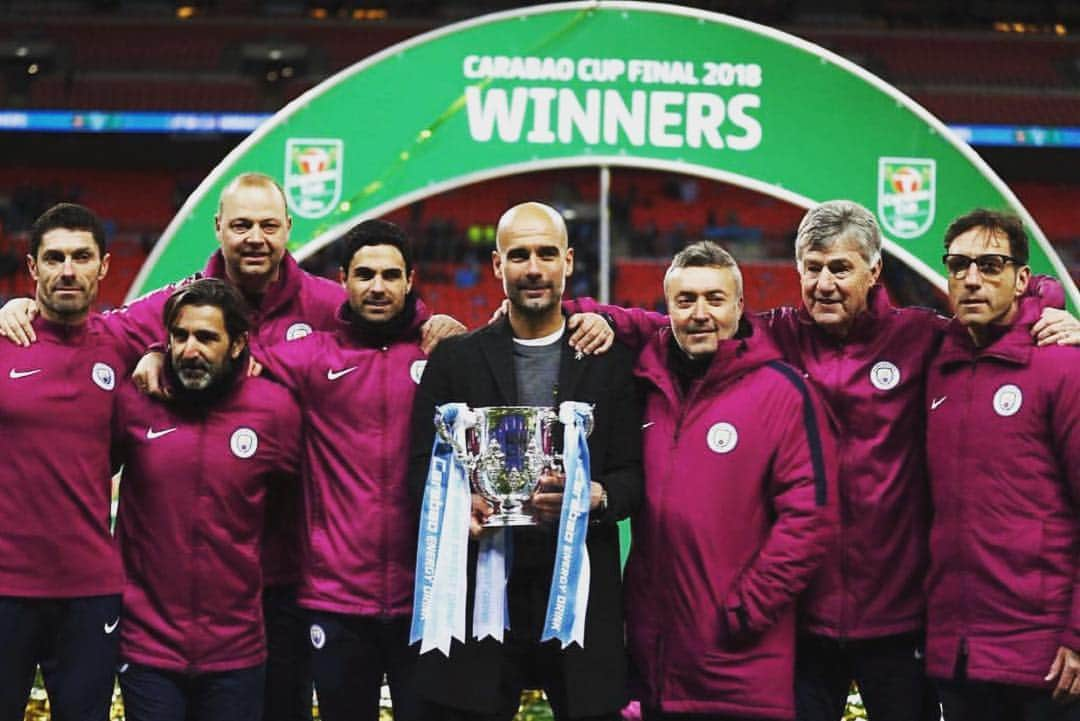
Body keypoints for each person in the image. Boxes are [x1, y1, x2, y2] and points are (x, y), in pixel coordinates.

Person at [566, 200, 1078, 721]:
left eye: (840, 268)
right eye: (813, 268)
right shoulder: (777, 336)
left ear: (874, 271)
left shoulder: (922, 338)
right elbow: (685, 321)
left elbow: (995, 313)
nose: (825, 284)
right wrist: (591, 316)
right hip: (804, 621)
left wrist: (1044, 306)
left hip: (900, 621)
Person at [0, 172, 464, 721]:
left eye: (268, 225)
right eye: (240, 224)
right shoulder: (176, 302)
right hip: (172, 602)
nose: (254, 237)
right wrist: (21, 310)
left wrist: (446, 324)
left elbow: (394, 317)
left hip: (296, 581)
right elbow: (100, 331)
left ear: (289, 229)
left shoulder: (328, 302)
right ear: (217, 228)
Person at [408, 201, 644, 721]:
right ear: (497, 266)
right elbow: (419, 467)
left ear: (568, 262)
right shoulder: (455, 360)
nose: (533, 268)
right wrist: (457, 507)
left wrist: (597, 497)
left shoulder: (610, 363)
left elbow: (634, 474)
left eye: (545, 254)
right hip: (481, 595)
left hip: (580, 597)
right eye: (519, 255)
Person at [626, 241, 837, 721]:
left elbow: (810, 520)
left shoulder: (783, 392)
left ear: (740, 307)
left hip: (740, 673)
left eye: (715, 299)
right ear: (668, 310)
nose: (700, 313)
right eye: (686, 300)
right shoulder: (647, 388)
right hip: (657, 668)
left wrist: (744, 612)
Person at [256, 219, 456, 721]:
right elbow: (223, 357)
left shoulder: (443, 357)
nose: (378, 286)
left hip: (427, 598)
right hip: (335, 599)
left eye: (390, 275)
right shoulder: (309, 359)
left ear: (411, 279)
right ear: (342, 279)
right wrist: (153, 355)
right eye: (364, 274)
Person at [113, 278, 301, 721]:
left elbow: (293, 507)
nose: (189, 350)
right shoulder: (136, 402)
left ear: (238, 344)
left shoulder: (274, 411)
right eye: (180, 336)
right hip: (147, 647)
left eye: (206, 337)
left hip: (237, 649)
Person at [925, 210, 1080, 721]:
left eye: (990, 266)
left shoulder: (1061, 365)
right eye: (959, 265)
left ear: (1020, 279)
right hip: (960, 655)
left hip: (1046, 661)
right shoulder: (938, 366)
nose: (972, 279)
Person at [0, 203, 125, 721]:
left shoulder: (128, 345)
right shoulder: (2, 342)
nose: (67, 270)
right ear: (32, 269)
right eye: (54, 258)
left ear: (104, 266)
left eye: (81, 257)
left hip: (90, 591)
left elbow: (204, 288)